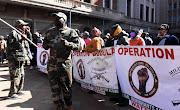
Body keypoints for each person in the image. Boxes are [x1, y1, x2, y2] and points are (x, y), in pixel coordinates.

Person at [43, 12, 80, 110]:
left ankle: (69, 105)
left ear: (64, 20)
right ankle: (59, 107)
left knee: (67, 88)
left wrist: (68, 44)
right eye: (54, 18)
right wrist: (45, 45)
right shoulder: (49, 32)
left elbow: (78, 47)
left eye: (57, 18)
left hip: (65, 65)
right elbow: (44, 43)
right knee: (54, 88)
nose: (55, 19)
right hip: (52, 65)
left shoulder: (71, 32)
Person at [6, 19, 33, 99]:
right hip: (15, 58)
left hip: (21, 57)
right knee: (15, 75)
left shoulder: (22, 33)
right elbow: (11, 46)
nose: (25, 27)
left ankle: (19, 90)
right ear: (19, 26)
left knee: (21, 75)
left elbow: (30, 42)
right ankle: (12, 93)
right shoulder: (13, 33)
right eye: (23, 25)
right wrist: (21, 40)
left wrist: (29, 34)